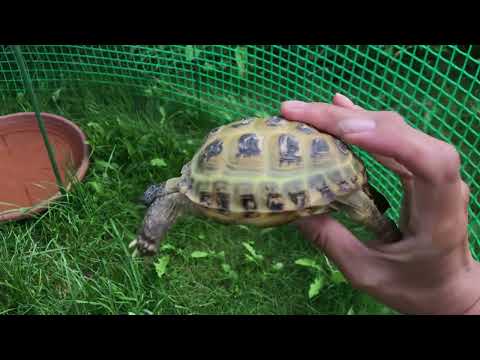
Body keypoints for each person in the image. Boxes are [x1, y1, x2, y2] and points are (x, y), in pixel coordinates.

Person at [281, 93, 480, 315]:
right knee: (366, 211)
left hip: (327, 171)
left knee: (365, 210)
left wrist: (463, 302)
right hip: (331, 170)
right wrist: (465, 302)